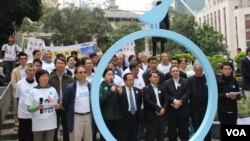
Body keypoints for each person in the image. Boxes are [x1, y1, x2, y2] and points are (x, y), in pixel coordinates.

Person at [25, 69, 61, 141]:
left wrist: (58, 106)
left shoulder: (52, 89)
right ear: (38, 78)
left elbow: (56, 103)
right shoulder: (33, 91)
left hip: (51, 121)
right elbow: (29, 108)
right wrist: (36, 107)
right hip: (38, 122)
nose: (45, 78)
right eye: (43, 76)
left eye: (47, 76)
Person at [62, 66, 93, 141]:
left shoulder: (90, 86)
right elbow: (65, 103)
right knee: (75, 138)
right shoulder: (70, 87)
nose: (83, 74)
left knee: (89, 138)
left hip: (88, 116)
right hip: (76, 117)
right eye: (80, 72)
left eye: (84, 72)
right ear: (76, 75)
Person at [49, 57, 74, 141]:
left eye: (62, 63)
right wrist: (54, 103)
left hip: (66, 106)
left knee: (67, 127)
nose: (60, 65)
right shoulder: (50, 78)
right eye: (58, 63)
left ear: (65, 65)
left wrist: (65, 103)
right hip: (54, 106)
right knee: (54, 127)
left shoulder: (70, 78)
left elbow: (72, 93)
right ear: (55, 65)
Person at [163, 66, 190, 141]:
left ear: (179, 72)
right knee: (172, 131)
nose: (175, 72)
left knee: (184, 131)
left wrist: (180, 101)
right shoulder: (166, 83)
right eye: (173, 71)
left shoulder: (186, 81)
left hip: (183, 110)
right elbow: (166, 95)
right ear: (170, 73)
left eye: (177, 71)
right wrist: (174, 101)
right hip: (172, 110)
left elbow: (187, 93)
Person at [188, 63, 211, 141]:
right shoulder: (190, 79)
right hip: (195, 107)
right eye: (197, 70)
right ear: (194, 71)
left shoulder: (208, 78)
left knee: (207, 125)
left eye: (200, 70)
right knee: (196, 125)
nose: (199, 72)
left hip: (206, 106)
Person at [143, 72, 168, 141]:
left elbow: (166, 99)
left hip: (162, 114)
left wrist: (163, 109)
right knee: (151, 135)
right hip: (151, 114)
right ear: (149, 78)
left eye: (157, 77)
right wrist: (159, 109)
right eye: (154, 77)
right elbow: (148, 101)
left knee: (160, 135)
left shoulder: (162, 88)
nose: (156, 78)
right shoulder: (146, 88)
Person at [16, 63, 37, 141]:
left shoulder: (38, 83)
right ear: (26, 71)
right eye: (29, 70)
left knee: (33, 135)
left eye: (33, 70)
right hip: (23, 114)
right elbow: (18, 97)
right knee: (23, 135)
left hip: (35, 114)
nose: (31, 72)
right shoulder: (20, 83)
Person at [99, 68, 123, 141]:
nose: (111, 76)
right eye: (108, 75)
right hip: (105, 117)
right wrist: (111, 92)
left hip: (116, 116)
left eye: (112, 75)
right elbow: (100, 100)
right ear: (103, 77)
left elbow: (120, 102)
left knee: (116, 136)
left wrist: (120, 94)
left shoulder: (116, 85)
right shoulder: (101, 86)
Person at [120, 73, 142, 141]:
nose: (132, 81)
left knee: (134, 135)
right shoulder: (120, 90)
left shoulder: (137, 90)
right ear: (124, 81)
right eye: (129, 80)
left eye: (133, 80)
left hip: (135, 115)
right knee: (125, 135)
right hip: (125, 116)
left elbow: (139, 102)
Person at [11, 52, 28, 130]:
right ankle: (17, 124)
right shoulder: (15, 70)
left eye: (25, 59)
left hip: (28, 92)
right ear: (19, 60)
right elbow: (13, 81)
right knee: (16, 108)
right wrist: (19, 89)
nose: (23, 60)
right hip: (18, 93)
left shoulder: (30, 68)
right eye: (22, 59)